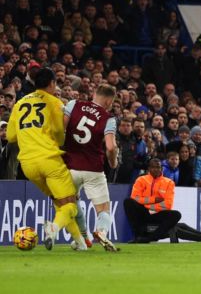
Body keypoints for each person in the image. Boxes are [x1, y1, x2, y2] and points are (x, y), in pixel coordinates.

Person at [6, 68, 86, 250]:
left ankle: (80, 243)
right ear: (52, 83)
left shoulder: (20, 103)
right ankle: (53, 228)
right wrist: (59, 143)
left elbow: (10, 136)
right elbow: (59, 133)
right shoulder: (55, 103)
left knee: (60, 203)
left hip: (28, 165)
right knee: (71, 205)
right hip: (50, 161)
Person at [63, 84, 119, 252]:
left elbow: (60, 129)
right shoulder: (108, 118)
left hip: (69, 166)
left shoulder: (73, 104)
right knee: (103, 208)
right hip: (93, 168)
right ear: (109, 101)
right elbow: (110, 147)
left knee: (73, 201)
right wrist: (113, 163)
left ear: (95, 94)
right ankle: (101, 231)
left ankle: (82, 239)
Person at [123, 158, 182, 243]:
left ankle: (151, 238)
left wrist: (150, 208)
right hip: (143, 211)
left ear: (161, 169)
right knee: (128, 202)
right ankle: (138, 236)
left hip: (157, 212)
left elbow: (168, 204)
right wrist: (154, 199)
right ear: (149, 169)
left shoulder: (169, 182)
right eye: (153, 167)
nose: (156, 169)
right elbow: (135, 198)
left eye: (158, 167)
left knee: (176, 214)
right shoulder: (141, 180)